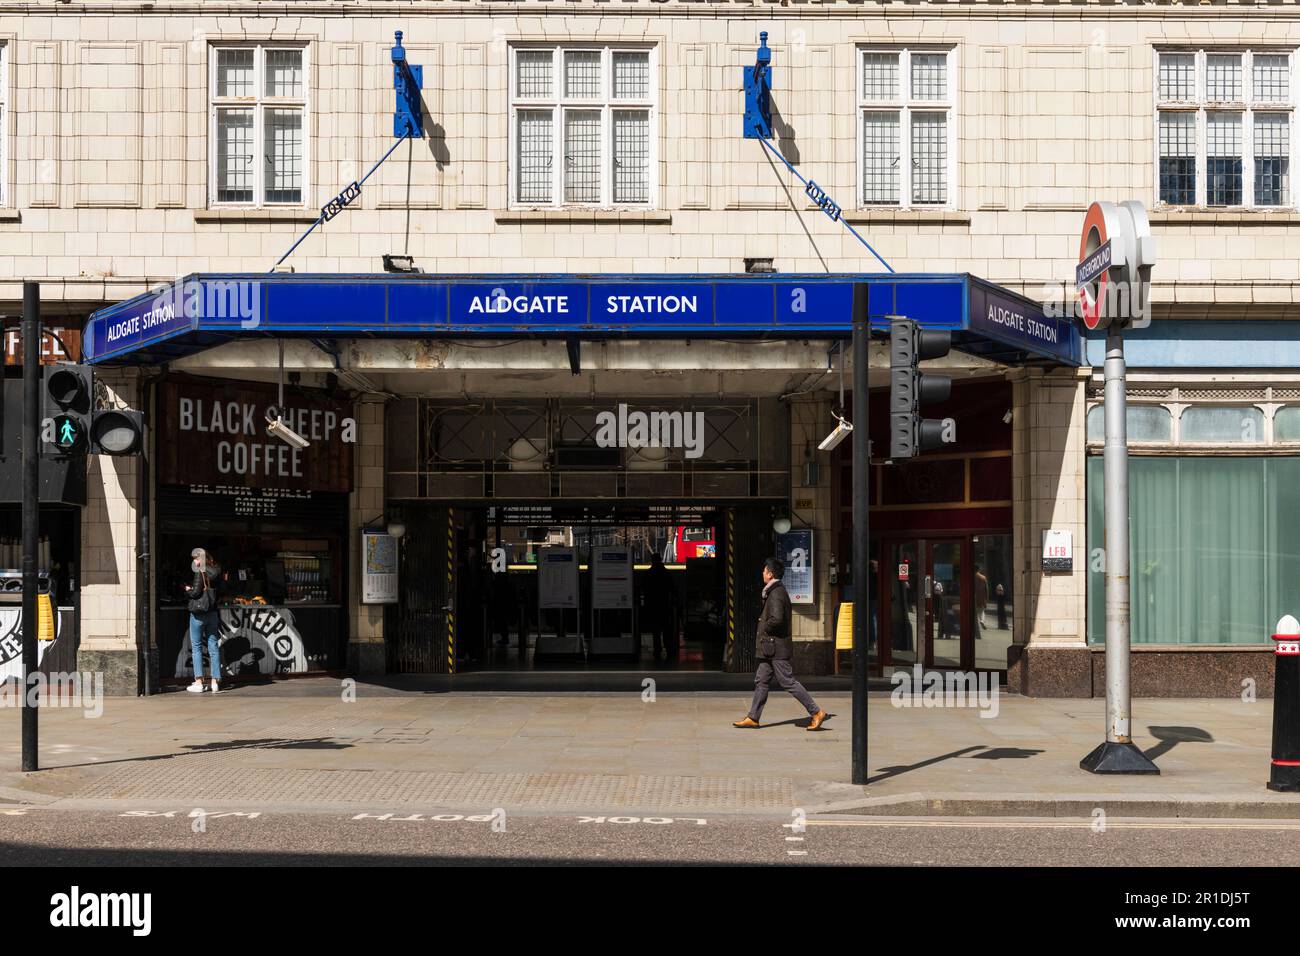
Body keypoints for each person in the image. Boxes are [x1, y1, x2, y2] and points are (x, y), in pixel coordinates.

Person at [734, 557, 828, 731]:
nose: (762, 573)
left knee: (787, 681)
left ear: (770, 574)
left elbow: (777, 619)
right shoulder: (774, 591)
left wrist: (764, 626)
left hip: (776, 647)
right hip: (768, 647)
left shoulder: (776, 593)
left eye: (764, 571)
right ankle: (753, 717)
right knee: (761, 680)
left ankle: (816, 712)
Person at [183, 547, 222, 693]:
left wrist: (187, 589)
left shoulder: (200, 572)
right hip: (212, 614)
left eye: (195, 558)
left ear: (200, 559)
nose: (194, 561)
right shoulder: (216, 571)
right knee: (213, 645)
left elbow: (195, 592)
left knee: (197, 647)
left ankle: (199, 682)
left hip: (199, 614)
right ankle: (215, 681)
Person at [640, 553, 676, 660]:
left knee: (655, 630)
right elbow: (672, 588)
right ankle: (669, 648)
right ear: (661, 560)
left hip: (652, 605)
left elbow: (644, 588)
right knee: (666, 628)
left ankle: (657, 649)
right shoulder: (667, 573)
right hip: (664, 604)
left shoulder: (648, 574)